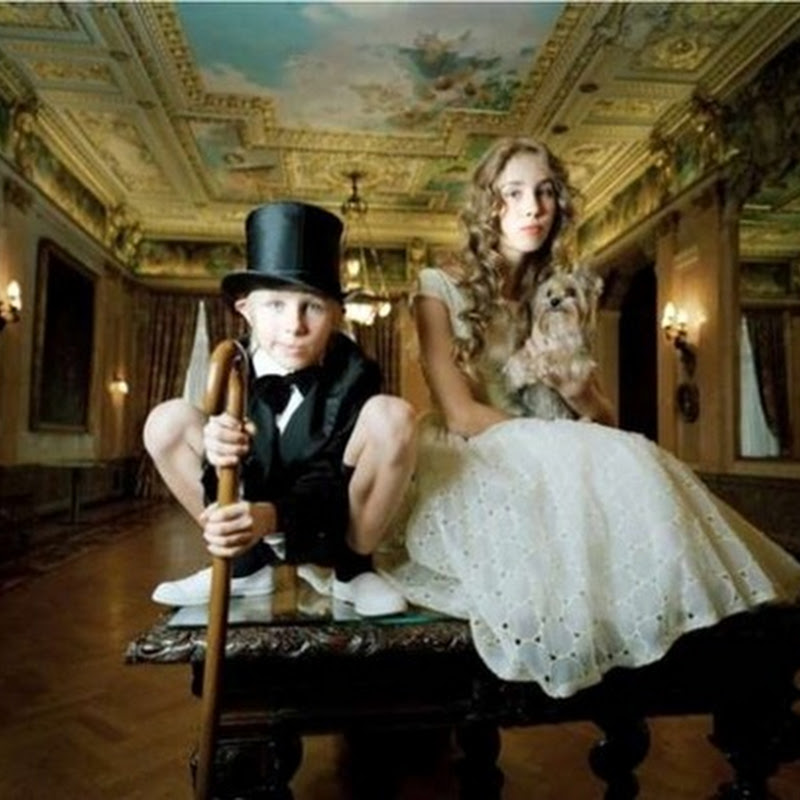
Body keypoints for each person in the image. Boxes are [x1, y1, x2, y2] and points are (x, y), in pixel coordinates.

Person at [386, 137, 800, 697]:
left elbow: (604, 416)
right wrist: (553, 437)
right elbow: (459, 414)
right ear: (490, 204)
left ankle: (700, 650)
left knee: (635, 453)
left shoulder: (560, 291)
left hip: (551, 442)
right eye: (514, 193)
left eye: (545, 192)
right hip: (472, 448)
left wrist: (577, 393)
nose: (532, 207)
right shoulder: (438, 288)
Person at [144, 201, 415, 617]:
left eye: (313, 306)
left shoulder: (356, 373)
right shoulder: (231, 366)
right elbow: (229, 474)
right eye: (275, 305)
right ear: (245, 309)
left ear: (337, 315)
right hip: (254, 516)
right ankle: (244, 565)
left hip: (328, 525)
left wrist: (272, 516)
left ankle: (353, 571)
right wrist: (217, 453)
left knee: (393, 417)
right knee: (166, 422)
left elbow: (327, 478)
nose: (294, 326)